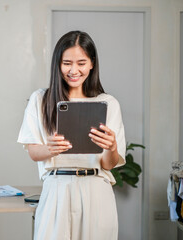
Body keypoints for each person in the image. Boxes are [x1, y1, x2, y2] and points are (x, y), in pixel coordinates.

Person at [17, 31, 126, 240]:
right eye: (67, 63)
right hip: (57, 187)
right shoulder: (40, 99)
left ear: (92, 63)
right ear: (58, 64)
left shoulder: (108, 103)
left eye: (81, 63)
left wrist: (112, 148)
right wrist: (49, 148)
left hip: (96, 188)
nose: (73, 70)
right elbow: (33, 151)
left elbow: (109, 164)